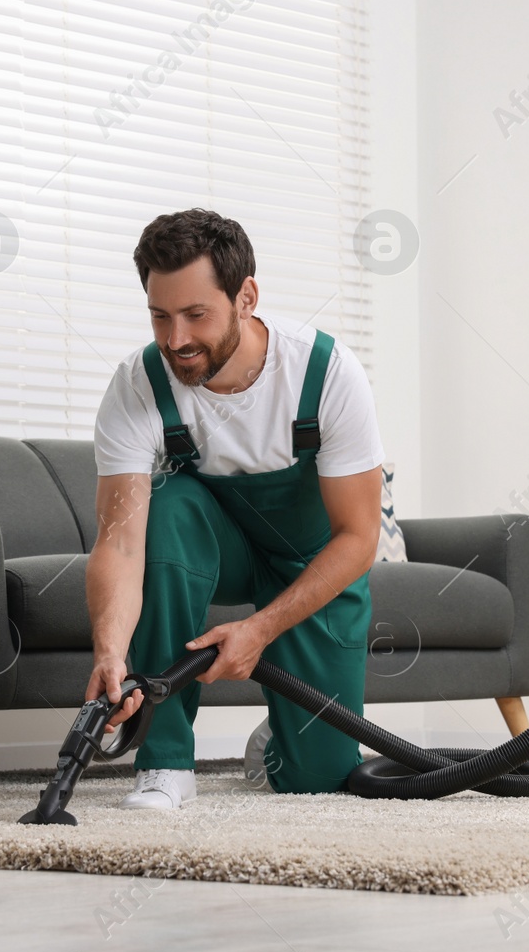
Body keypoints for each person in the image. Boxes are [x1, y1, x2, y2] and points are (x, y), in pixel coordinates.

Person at [87, 207, 386, 809]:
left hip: (310, 562)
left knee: (319, 779)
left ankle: (280, 740)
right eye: (160, 317)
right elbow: (120, 542)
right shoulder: (139, 383)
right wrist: (111, 654)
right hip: (210, 549)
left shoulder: (325, 374)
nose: (176, 340)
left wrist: (261, 629)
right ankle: (165, 763)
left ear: (246, 297)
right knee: (168, 504)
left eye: (197, 315)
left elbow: (358, 537)